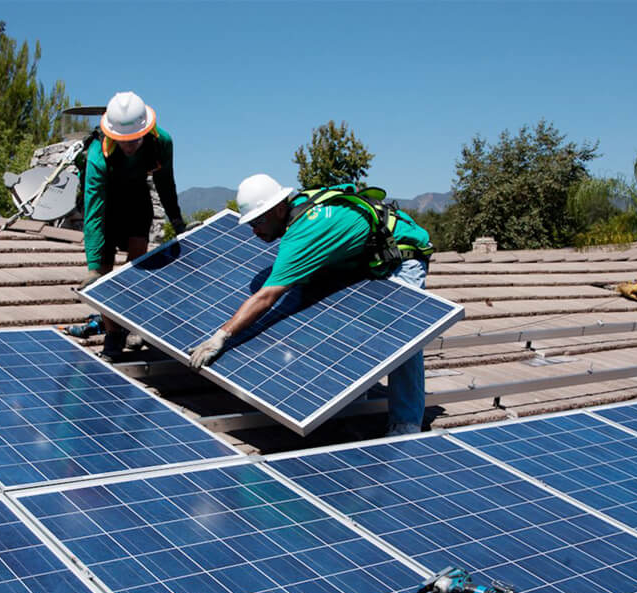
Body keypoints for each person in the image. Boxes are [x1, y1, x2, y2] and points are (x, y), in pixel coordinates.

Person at [189, 173, 434, 436]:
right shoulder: (301, 209)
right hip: (363, 258)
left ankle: (406, 423)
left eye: (258, 221)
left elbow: (266, 296)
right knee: (321, 301)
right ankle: (355, 401)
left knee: (400, 333)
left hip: (402, 256)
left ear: (279, 208)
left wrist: (221, 336)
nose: (254, 231)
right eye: (250, 223)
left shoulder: (305, 233)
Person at [79, 91, 187, 356]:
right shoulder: (97, 155)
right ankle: (113, 334)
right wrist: (93, 268)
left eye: (133, 140)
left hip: (138, 201)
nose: (128, 146)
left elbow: (165, 182)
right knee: (104, 274)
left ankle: (132, 324)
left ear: (146, 130)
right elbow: (93, 213)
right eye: (122, 141)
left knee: (137, 268)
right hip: (106, 208)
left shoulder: (162, 143)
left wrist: (177, 222)